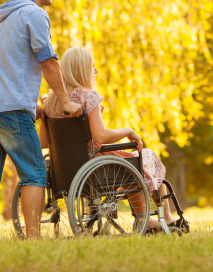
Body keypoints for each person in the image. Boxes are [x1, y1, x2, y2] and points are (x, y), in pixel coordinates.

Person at [0, 0, 83, 240]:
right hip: (9, 107)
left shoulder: (0, 16)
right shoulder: (35, 14)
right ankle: (33, 241)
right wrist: (65, 101)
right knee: (34, 173)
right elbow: (48, 61)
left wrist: (29, 103)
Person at [39, 46, 177, 231]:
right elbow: (101, 136)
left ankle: (145, 219)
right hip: (95, 167)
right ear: (81, 70)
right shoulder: (88, 97)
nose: (95, 71)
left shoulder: (50, 102)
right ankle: (164, 218)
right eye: (92, 66)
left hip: (64, 171)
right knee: (145, 157)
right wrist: (127, 130)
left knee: (132, 165)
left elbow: (44, 143)